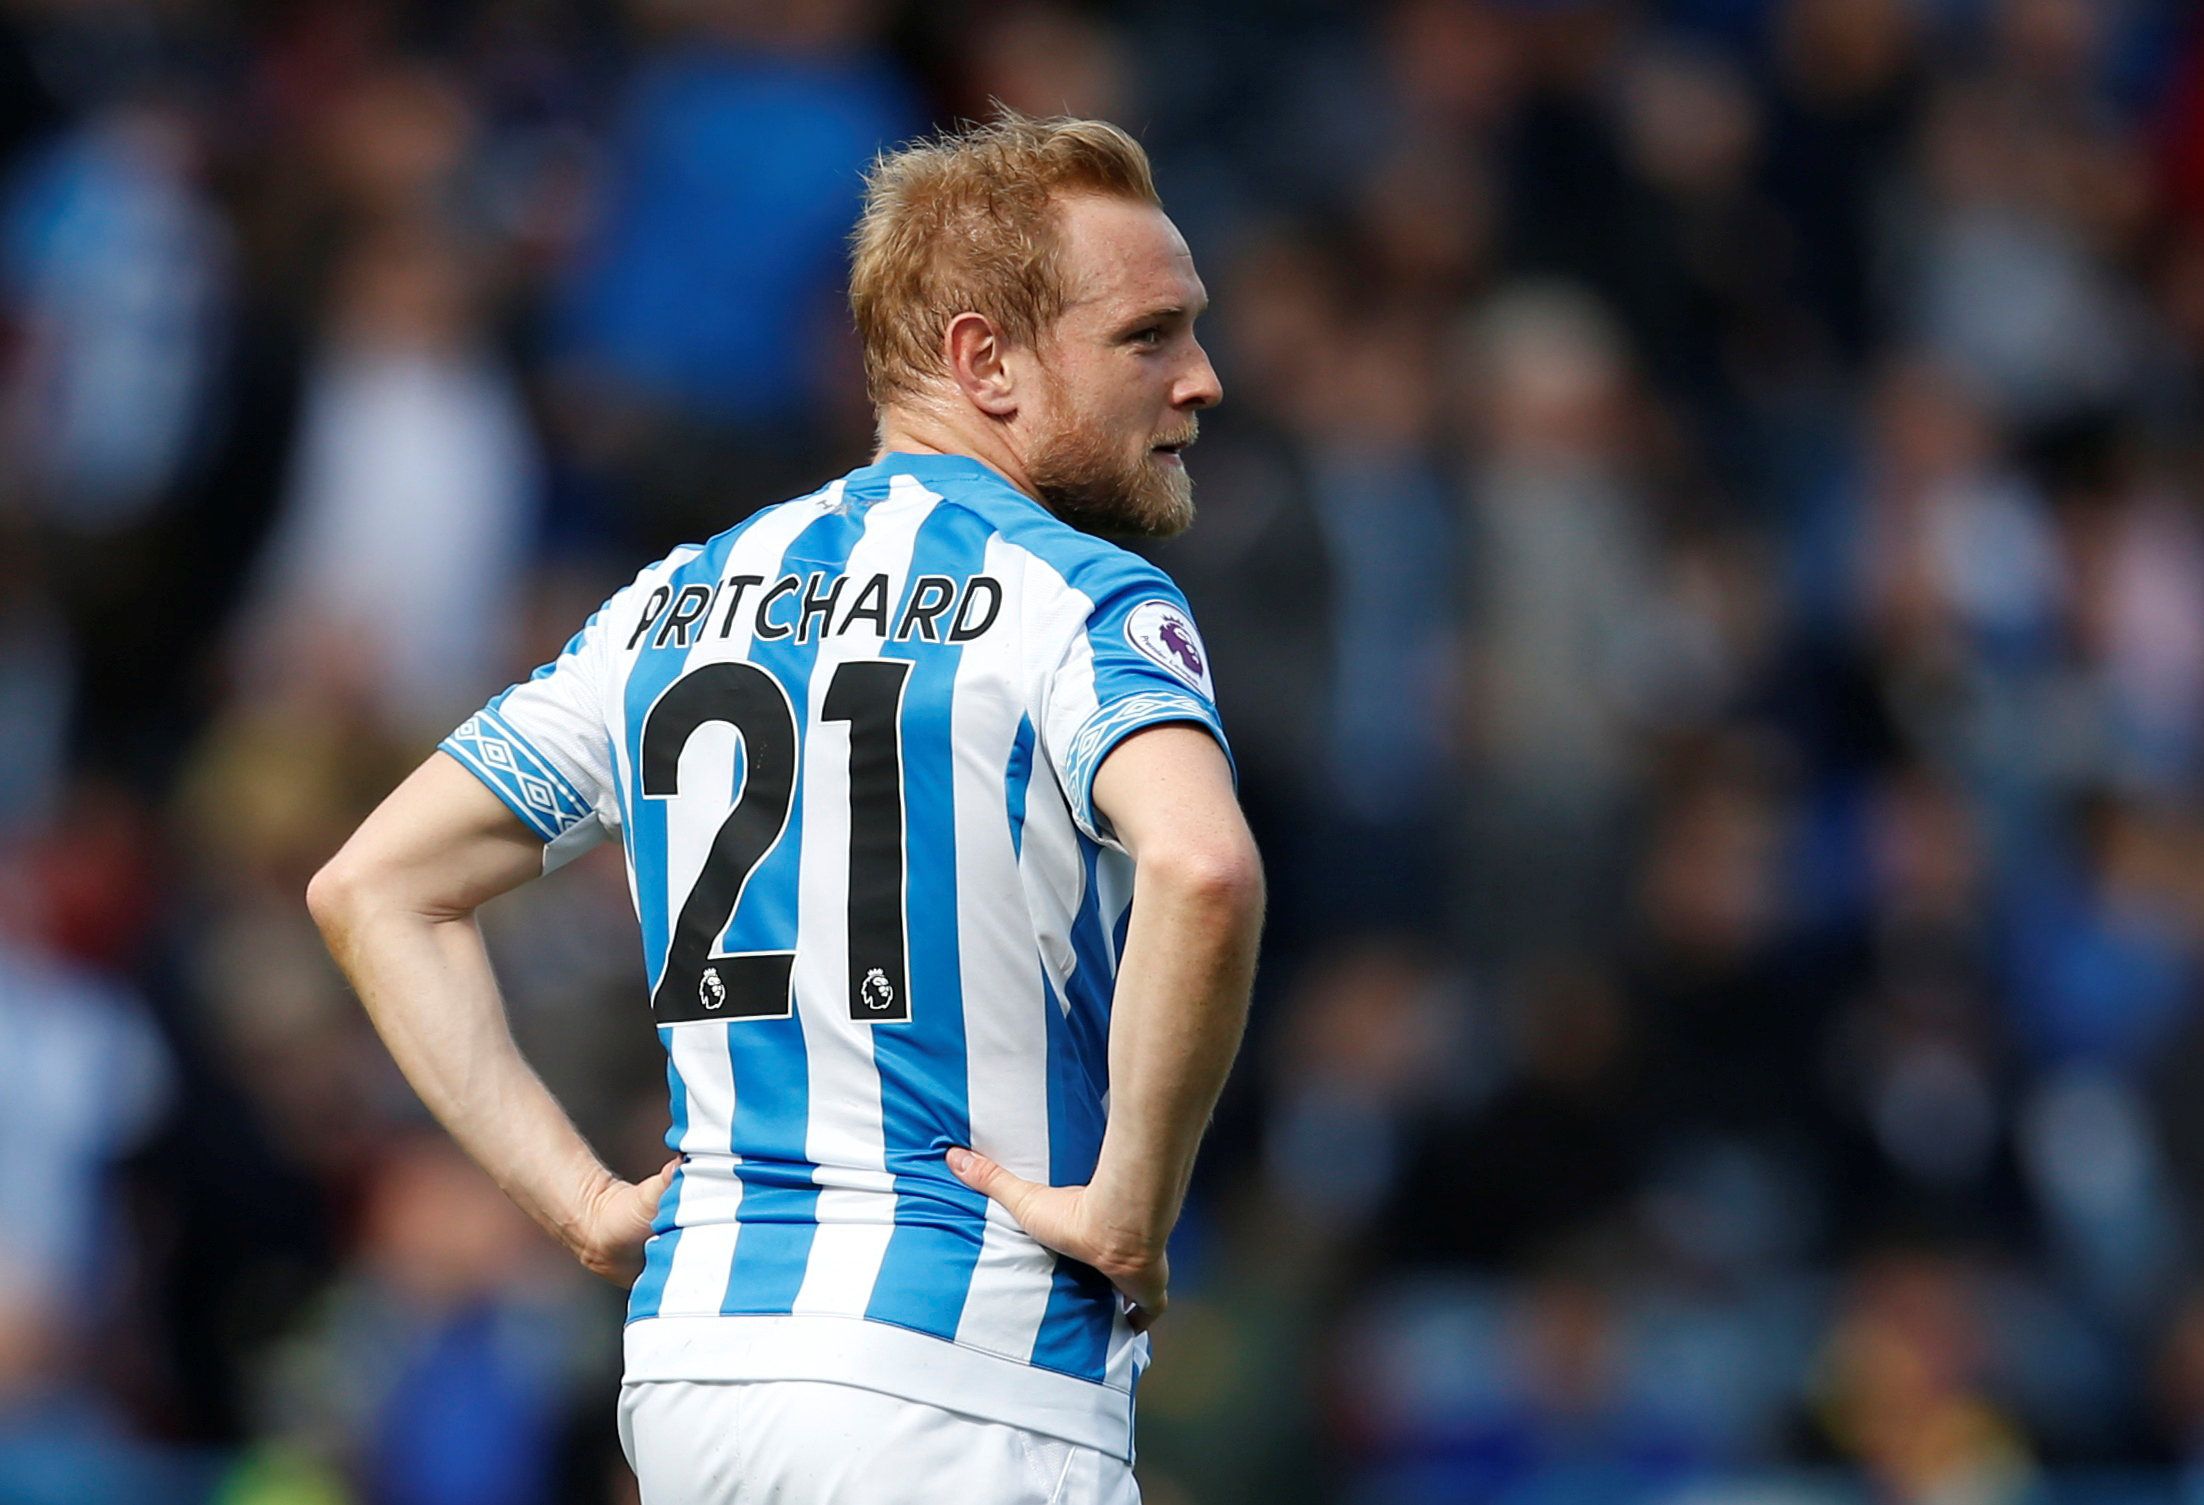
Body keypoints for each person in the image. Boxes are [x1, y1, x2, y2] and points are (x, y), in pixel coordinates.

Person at [306, 112, 1264, 1504]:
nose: (1202, 381)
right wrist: (1133, 1199)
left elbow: (371, 886)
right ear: (982, 360)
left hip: (696, 1376)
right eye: (1149, 336)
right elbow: (1203, 867)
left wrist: (580, 1203)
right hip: (964, 1377)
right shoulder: (1082, 597)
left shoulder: (677, 601)